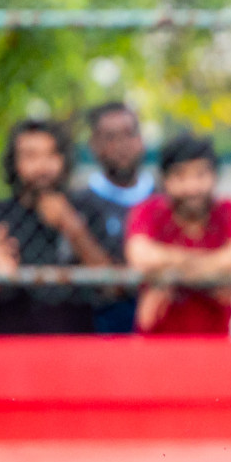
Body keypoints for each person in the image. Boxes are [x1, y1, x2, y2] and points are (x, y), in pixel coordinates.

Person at [0, 119, 124, 335]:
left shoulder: (87, 210)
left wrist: (74, 230)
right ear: (14, 163)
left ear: (64, 159)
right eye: (31, 156)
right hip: (10, 351)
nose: (43, 167)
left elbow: (117, 286)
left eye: (52, 154)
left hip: (75, 352)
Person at [125, 133, 231, 336]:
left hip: (215, 345)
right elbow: (140, 257)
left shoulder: (230, 211)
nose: (192, 187)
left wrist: (168, 274)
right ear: (165, 180)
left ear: (215, 176)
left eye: (200, 175)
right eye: (180, 176)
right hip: (156, 344)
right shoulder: (148, 212)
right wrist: (212, 275)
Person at [83, 102, 155, 333]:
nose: (122, 145)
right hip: (98, 335)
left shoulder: (165, 198)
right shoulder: (78, 205)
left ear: (141, 140)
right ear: (94, 145)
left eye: (129, 134)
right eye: (110, 137)